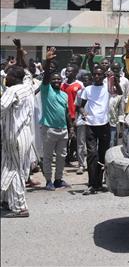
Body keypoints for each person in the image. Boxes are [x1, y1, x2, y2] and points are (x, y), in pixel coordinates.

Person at [79, 66, 121, 195]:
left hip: (104, 125)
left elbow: (119, 92)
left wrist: (114, 79)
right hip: (91, 125)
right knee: (92, 154)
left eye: (99, 75)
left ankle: (98, 184)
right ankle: (91, 184)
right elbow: (80, 106)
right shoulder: (87, 89)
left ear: (103, 76)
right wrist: (83, 112)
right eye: (95, 74)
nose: (97, 76)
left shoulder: (107, 88)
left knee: (103, 154)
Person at [1, 65, 35, 217]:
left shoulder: (12, 90)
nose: (5, 78)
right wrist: (20, 51)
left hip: (14, 136)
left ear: (13, 78)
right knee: (14, 168)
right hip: (25, 135)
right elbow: (27, 74)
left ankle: (20, 207)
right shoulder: (28, 87)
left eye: (7, 76)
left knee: (13, 170)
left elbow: (1, 107)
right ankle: (9, 200)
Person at [39, 48, 71, 191]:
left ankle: (58, 180)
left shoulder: (64, 94)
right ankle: (48, 181)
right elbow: (46, 77)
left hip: (63, 129)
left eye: (59, 79)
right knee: (47, 157)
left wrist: (70, 129)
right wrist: (48, 62)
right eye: (54, 79)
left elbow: (66, 113)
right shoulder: (46, 90)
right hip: (48, 128)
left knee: (61, 157)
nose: (57, 80)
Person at [74, 73, 92, 174]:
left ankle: (91, 164)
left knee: (92, 145)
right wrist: (76, 120)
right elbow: (77, 106)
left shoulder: (94, 91)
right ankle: (81, 164)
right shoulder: (80, 92)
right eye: (84, 80)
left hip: (93, 122)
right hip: (82, 121)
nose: (86, 82)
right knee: (80, 144)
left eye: (88, 80)